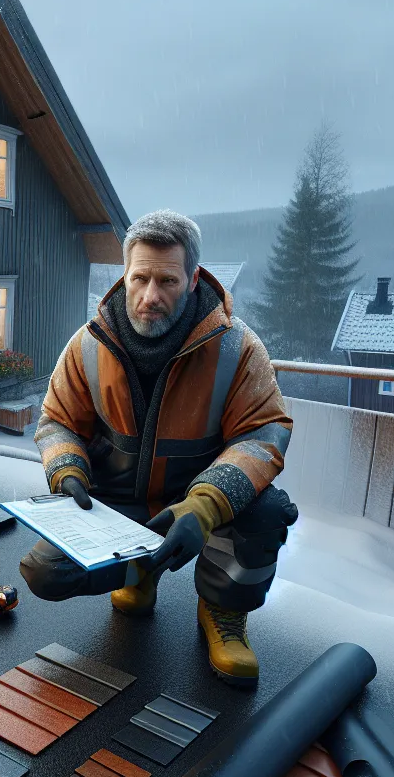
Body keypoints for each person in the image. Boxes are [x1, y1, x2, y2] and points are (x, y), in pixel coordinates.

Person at [22, 209, 297, 688]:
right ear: (124, 276)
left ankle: (222, 609)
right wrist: (67, 472)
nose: (151, 296)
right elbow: (57, 421)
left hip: (200, 505)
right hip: (121, 503)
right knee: (45, 572)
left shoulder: (237, 349)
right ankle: (137, 573)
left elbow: (263, 433)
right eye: (140, 278)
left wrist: (206, 506)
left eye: (167, 281)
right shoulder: (88, 344)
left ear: (193, 280)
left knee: (268, 509)